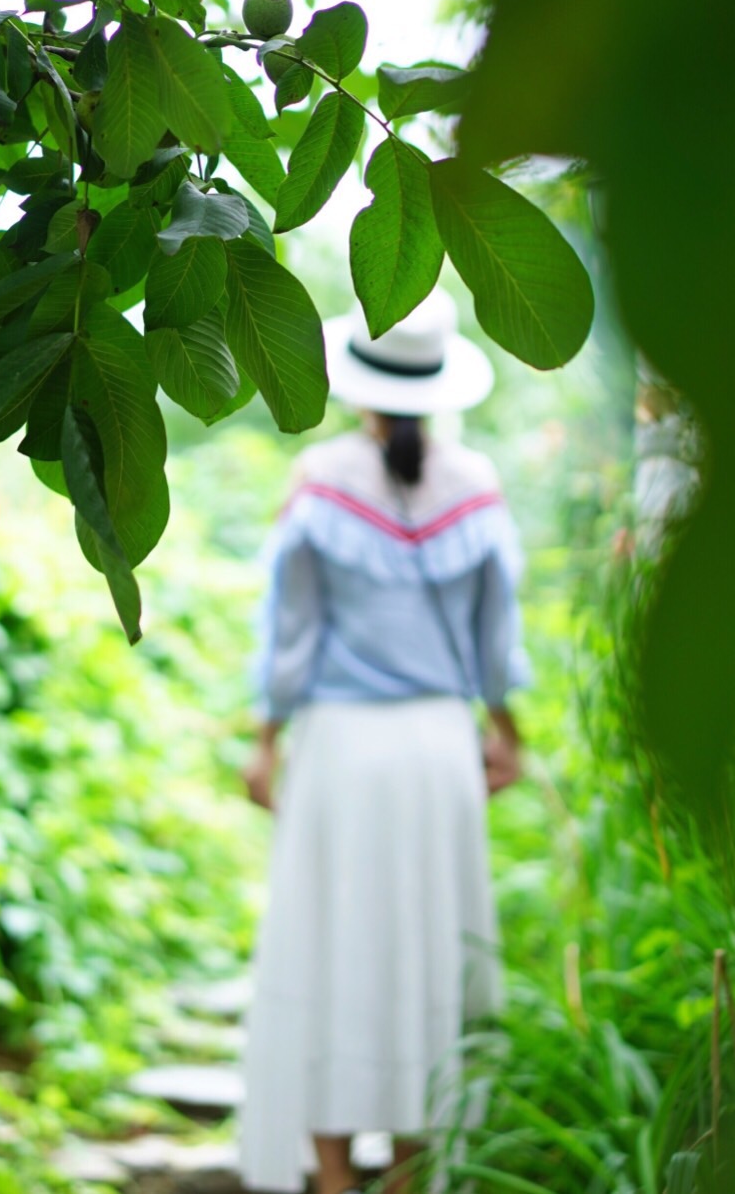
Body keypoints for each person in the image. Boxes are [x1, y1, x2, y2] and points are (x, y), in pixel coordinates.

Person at [236, 289, 531, 1194]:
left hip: (340, 753)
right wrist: (507, 737)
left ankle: (333, 1183)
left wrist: (265, 741)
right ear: (440, 385)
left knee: (332, 952)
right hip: (440, 752)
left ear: (359, 384)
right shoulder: (476, 487)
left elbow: (291, 633)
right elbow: (496, 641)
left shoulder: (319, 481)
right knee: (425, 960)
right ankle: (409, 1179)